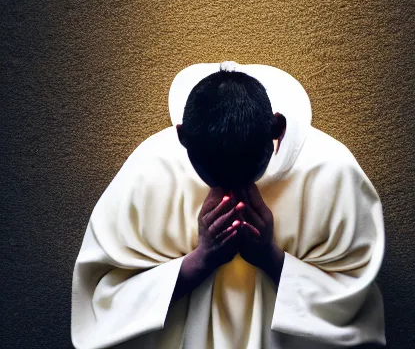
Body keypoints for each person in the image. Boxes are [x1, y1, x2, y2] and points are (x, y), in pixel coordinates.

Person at [71, 61, 386, 349]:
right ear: (182, 138)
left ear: (277, 129)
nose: (234, 191)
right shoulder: (149, 171)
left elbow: (354, 300)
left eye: (247, 174)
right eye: (215, 177)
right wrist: (201, 260)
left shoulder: (332, 172)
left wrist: (269, 257)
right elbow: (102, 298)